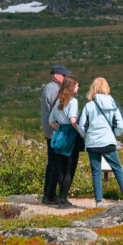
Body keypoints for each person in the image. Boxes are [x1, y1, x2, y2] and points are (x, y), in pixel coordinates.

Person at [78, 77, 123, 207]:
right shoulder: (113, 103)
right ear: (106, 87)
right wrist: (114, 135)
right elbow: (120, 124)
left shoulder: (89, 105)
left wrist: (86, 135)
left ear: (93, 88)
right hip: (108, 142)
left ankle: (99, 201)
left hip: (93, 143)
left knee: (96, 172)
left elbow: (81, 126)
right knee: (117, 169)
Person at [48, 75, 84, 209]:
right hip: (71, 136)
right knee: (70, 169)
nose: (78, 87)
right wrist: (80, 133)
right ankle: (64, 200)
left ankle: (61, 198)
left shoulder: (58, 102)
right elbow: (73, 120)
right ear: (71, 87)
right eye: (76, 85)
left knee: (62, 169)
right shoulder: (73, 101)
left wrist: (61, 130)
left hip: (61, 135)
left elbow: (51, 121)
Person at [40, 64, 71, 206]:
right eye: (64, 76)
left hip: (51, 131)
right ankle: (49, 195)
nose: (65, 78)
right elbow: (57, 111)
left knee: (53, 163)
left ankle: (49, 194)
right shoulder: (53, 89)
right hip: (55, 132)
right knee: (56, 164)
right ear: (56, 75)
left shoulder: (50, 88)